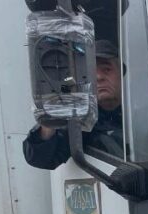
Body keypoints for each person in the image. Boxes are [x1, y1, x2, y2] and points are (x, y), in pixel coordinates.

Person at [23, 40, 125, 170]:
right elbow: (39, 158)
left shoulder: (141, 113)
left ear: (121, 74)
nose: (99, 77)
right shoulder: (80, 119)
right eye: (92, 72)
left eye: (107, 69)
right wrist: (51, 117)